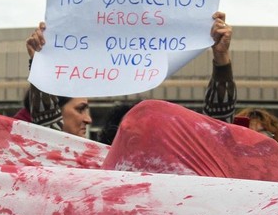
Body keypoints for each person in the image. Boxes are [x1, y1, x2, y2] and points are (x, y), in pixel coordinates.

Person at [21, 11, 237, 137]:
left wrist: (222, 59)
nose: (88, 119)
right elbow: (50, 136)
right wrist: (41, 64)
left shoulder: (179, 173)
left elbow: (216, 134)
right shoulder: (91, 168)